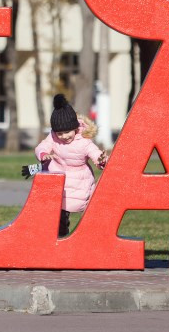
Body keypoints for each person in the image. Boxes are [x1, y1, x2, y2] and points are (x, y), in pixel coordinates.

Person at [24, 94, 107, 238]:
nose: (64, 136)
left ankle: (85, 236)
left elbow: (95, 154)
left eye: (67, 132)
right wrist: (44, 155)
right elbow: (41, 147)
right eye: (59, 133)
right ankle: (59, 235)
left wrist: (101, 160)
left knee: (79, 209)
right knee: (57, 214)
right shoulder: (53, 137)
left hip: (78, 181)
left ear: (75, 128)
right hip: (56, 179)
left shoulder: (84, 142)